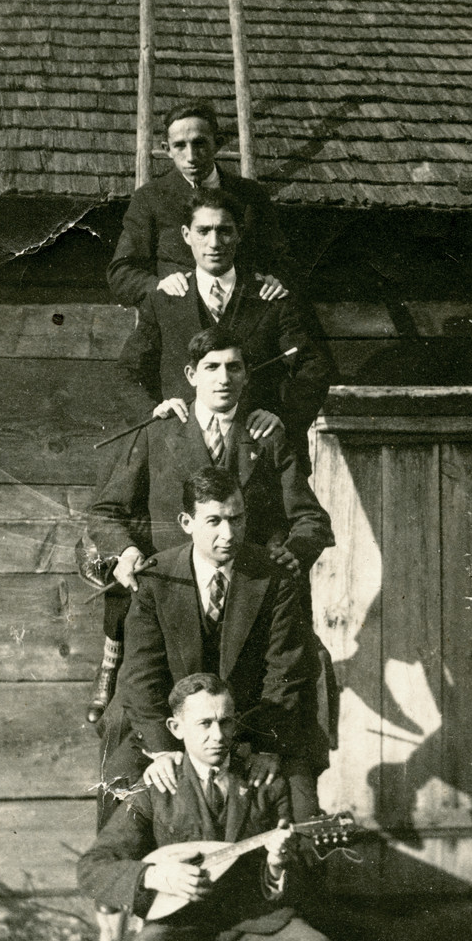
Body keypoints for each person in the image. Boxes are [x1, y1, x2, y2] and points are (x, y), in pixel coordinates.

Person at [77, 672, 359, 941]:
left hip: (256, 929)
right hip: (184, 931)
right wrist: (155, 876)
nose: (217, 735)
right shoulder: (156, 788)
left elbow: (299, 873)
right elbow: (93, 868)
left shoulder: (266, 782)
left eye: (226, 722)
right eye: (204, 724)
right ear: (176, 729)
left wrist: (279, 866)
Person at [97, 465, 320, 825]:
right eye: (214, 521)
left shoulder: (273, 575)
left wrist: (264, 745)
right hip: (173, 727)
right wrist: (163, 750)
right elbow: (141, 674)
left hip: (253, 725)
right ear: (187, 522)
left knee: (304, 810)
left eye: (236, 519)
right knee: (118, 786)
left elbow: (286, 671)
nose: (228, 534)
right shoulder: (156, 577)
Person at [88, 325, 334, 597]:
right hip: (170, 590)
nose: (224, 379)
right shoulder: (156, 432)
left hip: (248, 593)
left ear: (247, 375)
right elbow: (105, 512)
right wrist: (126, 551)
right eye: (212, 367)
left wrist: (293, 553)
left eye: (234, 368)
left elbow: (311, 518)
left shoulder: (266, 437)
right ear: (192, 375)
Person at [117, 187, 331, 466]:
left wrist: (282, 416)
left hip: (258, 456)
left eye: (225, 231)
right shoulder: (164, 301)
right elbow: (127, 373)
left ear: (239, 234)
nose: (214, 242)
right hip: (180, 456)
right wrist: (154, 412)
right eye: (203, 231)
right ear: (186, 235)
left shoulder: (270, 297)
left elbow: (313, 366)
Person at [107, 99, 296, 309]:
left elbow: (283, 260)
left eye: (200, 143)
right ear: (167, 149)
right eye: (180, 146)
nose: (191, 156)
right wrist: (159, 285)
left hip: (243, 316)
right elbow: (121, 272)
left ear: (218, 142)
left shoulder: (251, 195)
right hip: (179, 315)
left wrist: (277, 280)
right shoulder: (150, 198)